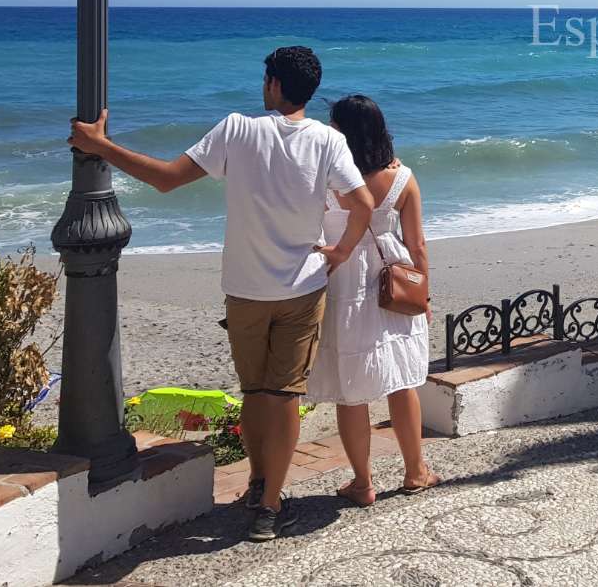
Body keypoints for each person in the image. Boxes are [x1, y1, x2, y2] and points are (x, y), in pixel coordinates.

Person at [67, 46, 374, 542]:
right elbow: (362, 203)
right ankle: (270, 505)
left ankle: (258, 485)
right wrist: (339, 252)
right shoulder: (327, 141)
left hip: (245, 289)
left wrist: (102, 146)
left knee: (255, 391)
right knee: (284, 396)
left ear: (273, 85)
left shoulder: (237, 129)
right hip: (302, 287)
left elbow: (166, 179)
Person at [306, 95, 438, 506]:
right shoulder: (402, 178)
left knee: (352, 389)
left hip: (343, 280)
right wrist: (425, 294)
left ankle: (362, 483)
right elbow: (416, 244)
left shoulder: (326, 176)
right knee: (401, 381)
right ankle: (416, 470)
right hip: (391, 281)